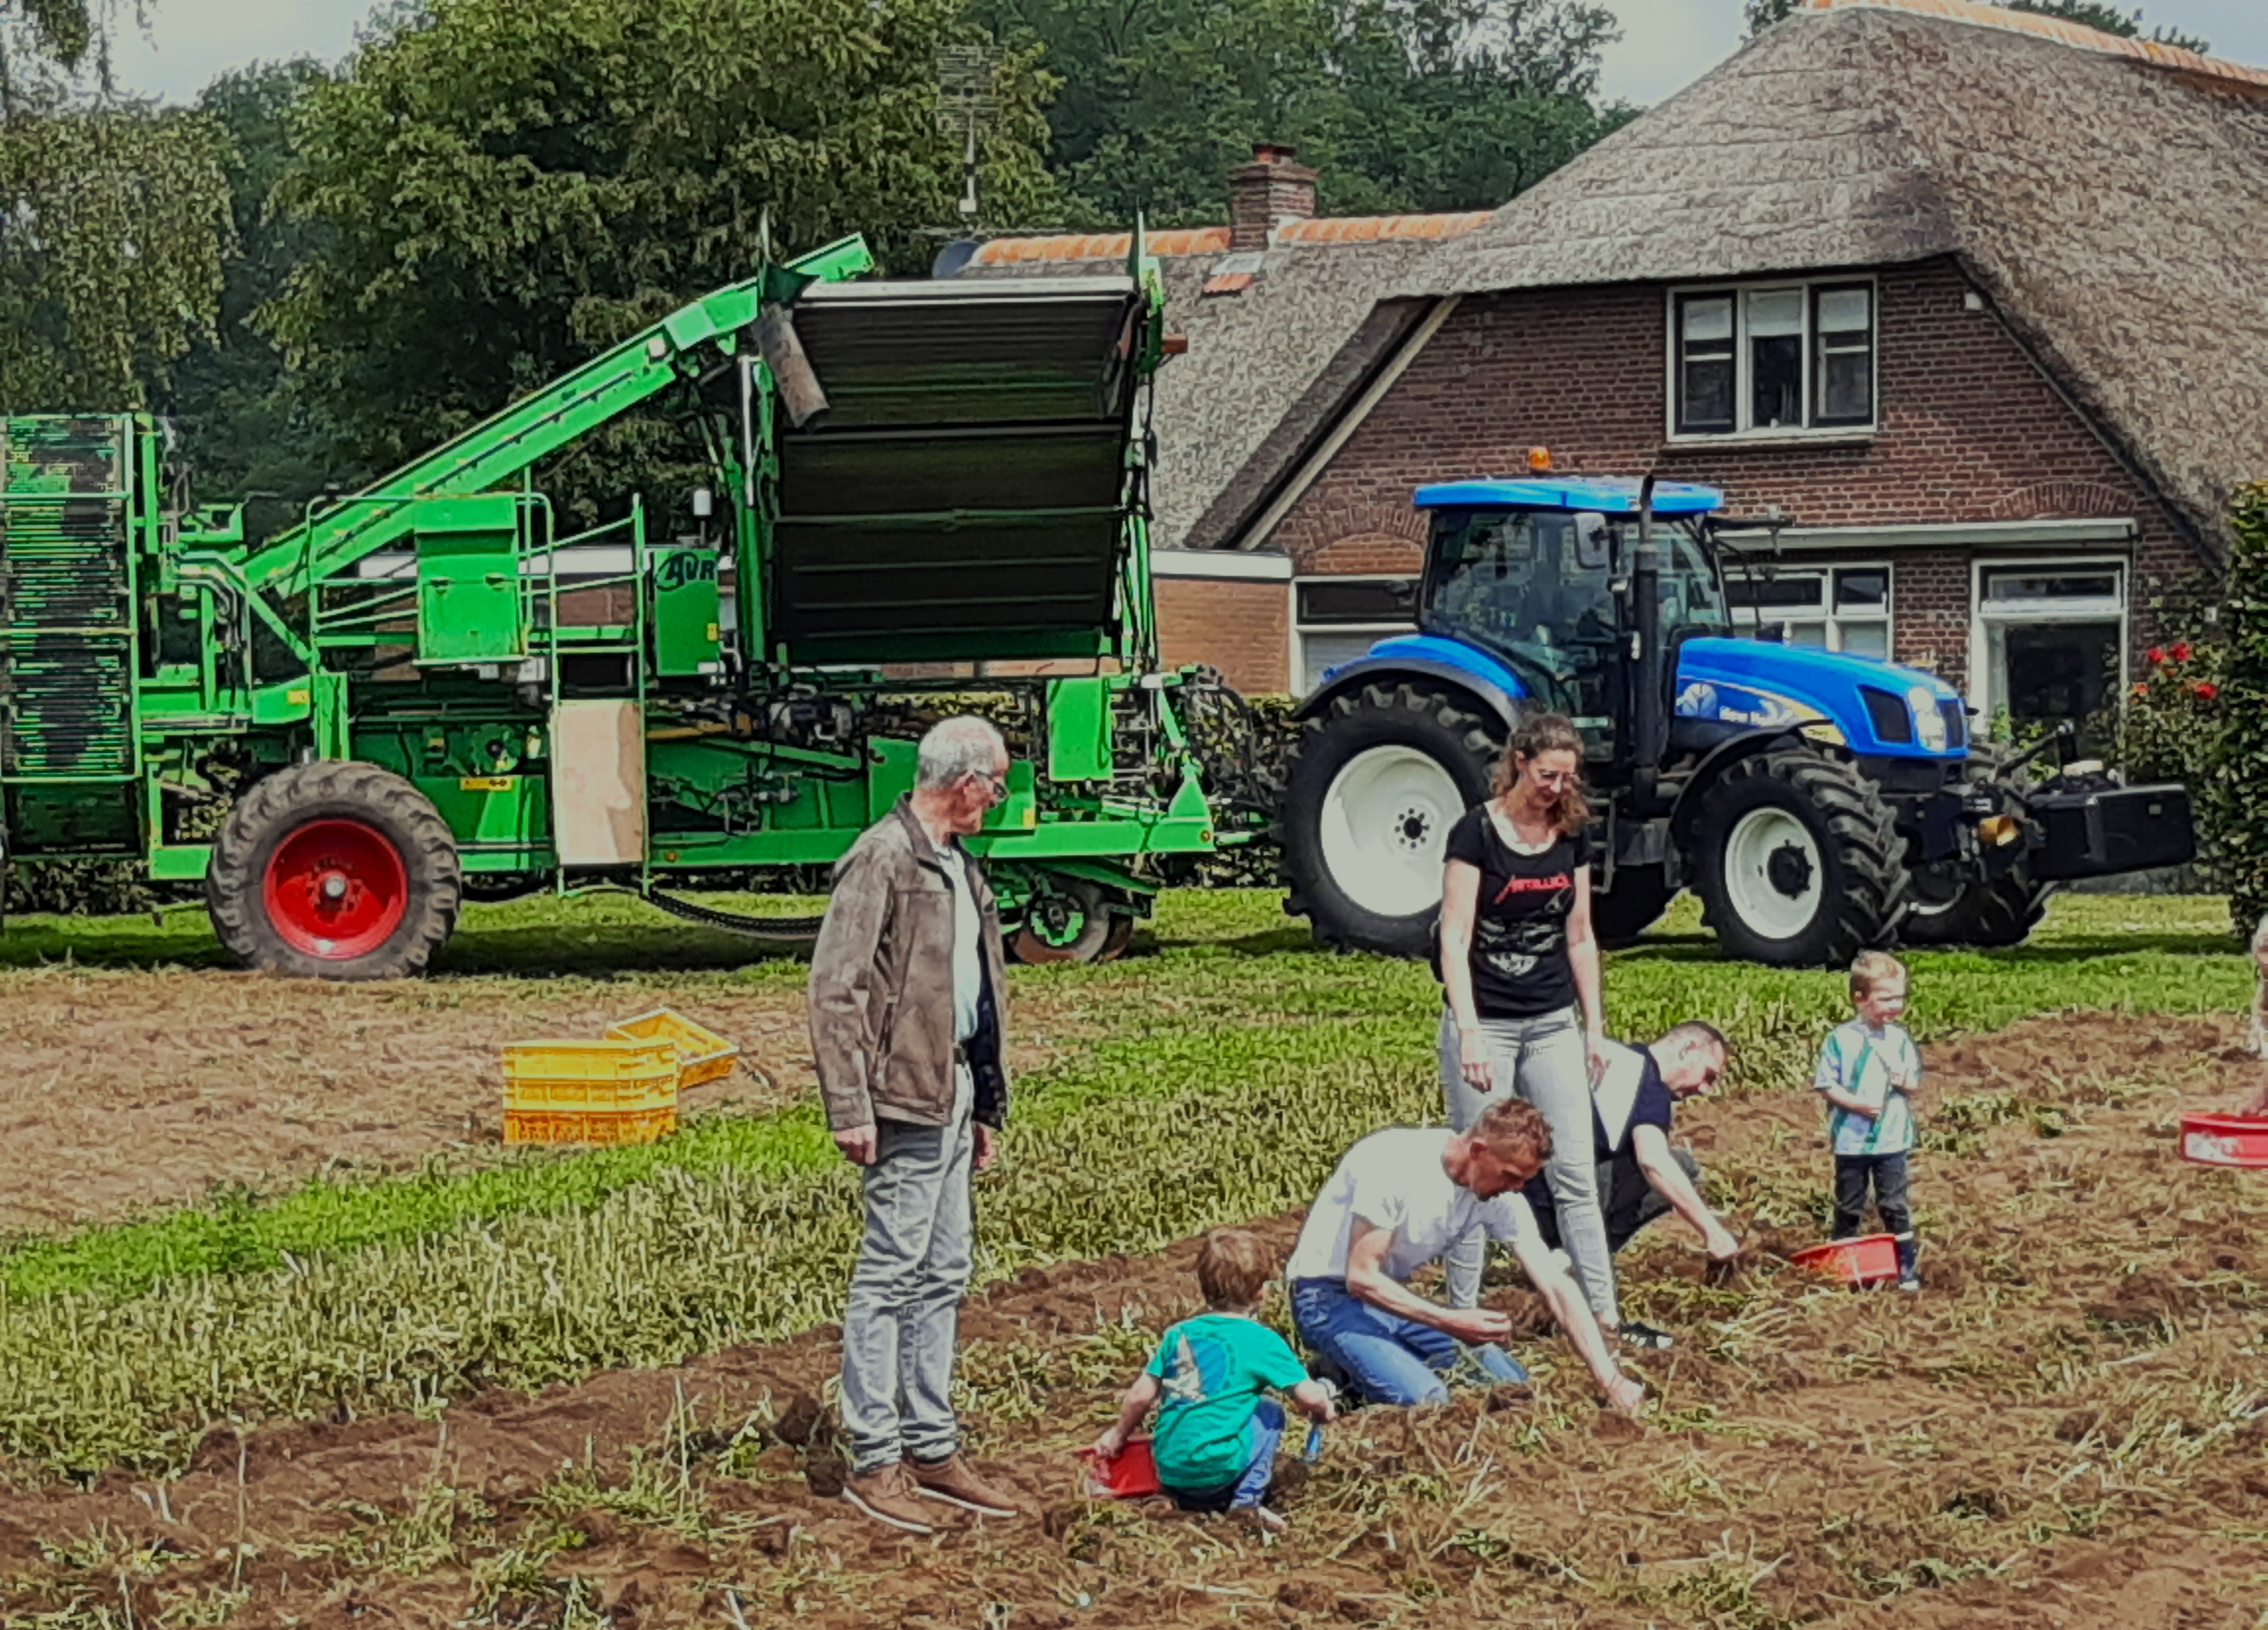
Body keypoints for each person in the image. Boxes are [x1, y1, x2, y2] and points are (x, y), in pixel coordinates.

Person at [809, 716, 1023, 1534]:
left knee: (942, 1271)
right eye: (994, 785)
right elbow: (837, 989)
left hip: (952, 1092)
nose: (995, 799)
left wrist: (985, 1105)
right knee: (889, 1275)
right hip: (900, 1100)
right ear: (966, 784)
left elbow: (975, 995)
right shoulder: (883, 860)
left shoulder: (955, 867)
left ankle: (932, 1447)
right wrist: (850, 1105)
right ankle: (876, 1458)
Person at [1286, 1097, 1646, 1414]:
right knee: (1428, 1400)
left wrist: (1610, 1378)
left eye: (1525, 1180)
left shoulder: (1502, 1197)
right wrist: (1451, 1322)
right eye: (1510, 1176)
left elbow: (1556, 1286)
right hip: (1326, 1297)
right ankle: (1339, 1376)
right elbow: (1361, 1277)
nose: (1517, 1188)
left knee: (1510, 1384)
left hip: (1388, 1298)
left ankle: (1366, 1363)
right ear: (1477, 1150)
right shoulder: (1394, 1164)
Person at [1436, 712, 1618, 1333]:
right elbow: (1455, 938)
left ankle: (1601, 1313)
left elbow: (1582, 935)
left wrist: (1592, 1026)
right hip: (1488, 1019)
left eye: (1568, 777)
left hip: (1549, 1021)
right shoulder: (1475, 834)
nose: (1557, 788)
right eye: (1547, 775)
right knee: (1477, 1169)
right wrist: (1468, 1033)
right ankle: (1461, 1312)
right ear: (1519, 763)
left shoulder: (1572, 836)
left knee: (1574, 1171)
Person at [1092, 1228, 1337, 1529]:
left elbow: (1141, 1396)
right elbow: (1309, 1398)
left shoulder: (1179, 1334)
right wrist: (1324, 1408)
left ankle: (1171, 1496)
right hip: (1219, 1471)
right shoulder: (1261, 1340)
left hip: (1169, 1468)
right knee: (1269, 1411)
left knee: (1187, 1415)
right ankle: (1246, 1504)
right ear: (1260, 1291)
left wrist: (1118, 1435)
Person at [1524, 1021, 1741, 1347]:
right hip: (1561, 1198)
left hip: (1526, 1191)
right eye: (1708, 1075)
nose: (1705, 1089)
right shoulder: (1647, 1081)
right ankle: (1581, 1275)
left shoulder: (1617, 1061)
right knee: (1681, 1166)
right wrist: (1713, 1232)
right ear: (1688, 1050)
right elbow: (1653, 1160)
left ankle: (1565, 1262)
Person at [1816, 950, 1924, 1293]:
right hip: (1852, 1138)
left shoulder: (1900, 1039)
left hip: (1892, 1138)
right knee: (1850, 1204)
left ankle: (1905, 1267)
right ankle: (1843, 1265)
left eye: (1899, 998)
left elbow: (1914, 1084)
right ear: (1860, 999)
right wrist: (1857, 1105)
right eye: (1886, 998)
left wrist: (1903, 1081)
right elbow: (1826, 1084)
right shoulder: (1841, 1039)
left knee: (1894, 1203)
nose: (1895, 1006)